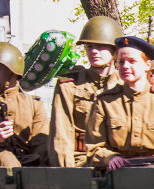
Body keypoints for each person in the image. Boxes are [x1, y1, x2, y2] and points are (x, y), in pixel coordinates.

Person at [83, 37, 154, 170]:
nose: (125, 66)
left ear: (147, 65)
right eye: (121, 62)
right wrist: (110, 157)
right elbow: (94, 147)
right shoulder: (104, 102)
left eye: (132, 61)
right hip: (117, 176)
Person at [49, 16, 123, 167]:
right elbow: (61, 134)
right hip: (82, 162)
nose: (94, 51)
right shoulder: (69, 85)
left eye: (100, 46)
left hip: (119, 162)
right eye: (89, 46)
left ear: (114, 50)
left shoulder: (125, 85)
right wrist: (67, 175)